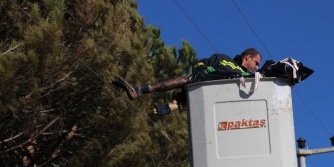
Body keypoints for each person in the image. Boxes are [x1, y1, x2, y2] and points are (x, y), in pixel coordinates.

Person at [112, 48, 262, 116]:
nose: (256, 67)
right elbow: (199, 64)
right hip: (205, 83)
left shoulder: (247, 78)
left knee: (185, 82)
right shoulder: (222, 58)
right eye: (256, 63)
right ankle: (143, 91)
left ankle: (172, 105)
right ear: (247, 57)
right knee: (185, 81)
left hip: (219, 100)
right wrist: (203, 70)